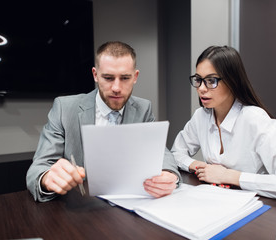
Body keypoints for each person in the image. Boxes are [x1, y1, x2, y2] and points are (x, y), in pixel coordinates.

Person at [26, 41, 180, 202]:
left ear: (135, 77)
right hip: (81, 206)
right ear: (95, 75)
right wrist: (47, 178)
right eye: (108, 77)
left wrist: (170, 175)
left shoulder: (143, 108)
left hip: (131, 206)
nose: (116, 87)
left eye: (125, 78)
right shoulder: (64, 108)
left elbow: (160, 151)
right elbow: (38, 168)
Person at [171, 45, 276, 205]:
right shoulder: (201, 116)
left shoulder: (255, 119)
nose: (201, 89)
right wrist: (196, 165)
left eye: (211, 81)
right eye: (199, 80)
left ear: (232, 81)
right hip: (219, 202)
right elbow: (175, 153)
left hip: (260, 209)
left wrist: (228, 176)